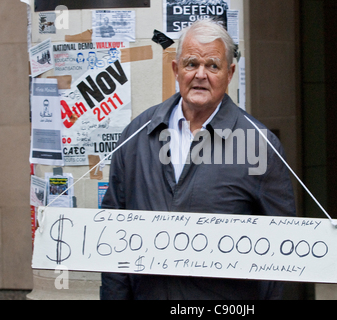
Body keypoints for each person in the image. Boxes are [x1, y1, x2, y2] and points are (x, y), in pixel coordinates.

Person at [100, 19, 297, 300]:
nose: (200, 75)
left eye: (213, 66)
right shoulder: (137, 135)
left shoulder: (259, 145)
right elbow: (114, 232)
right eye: (191, 64)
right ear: (176, 69)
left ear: (229, 74)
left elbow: (283, 248)